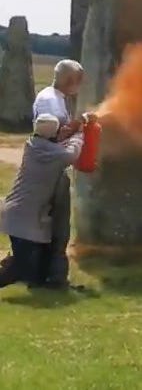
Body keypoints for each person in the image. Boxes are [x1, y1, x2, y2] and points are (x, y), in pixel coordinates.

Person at [0, 115, 84, 289]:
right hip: (23, 219)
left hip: (19, 216)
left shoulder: (33, 144)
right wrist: (79, 135)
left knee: (34, 272)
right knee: (21, 268)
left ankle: (24, 270)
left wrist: (67, 134)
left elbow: (56, 148)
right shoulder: (54, 153)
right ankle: (11, 266)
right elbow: (71, 154)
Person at [32, 60, 90, 289]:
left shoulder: (51, 97)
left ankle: (42, 274)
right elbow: (54, 136)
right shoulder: (51, 101)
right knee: (58, 227)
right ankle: (55, 278)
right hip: (52, 172)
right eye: (78, 81)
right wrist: (80, 126)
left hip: (49, 170)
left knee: (50, 226)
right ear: (69, 80)